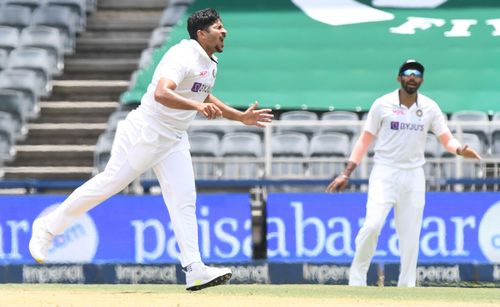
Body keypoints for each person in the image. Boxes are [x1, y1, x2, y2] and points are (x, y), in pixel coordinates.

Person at [29, 8, 273, 291]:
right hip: (146, 131)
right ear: (201, 34)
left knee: (184, 200)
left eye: (223, 26)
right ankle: (47, 228)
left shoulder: (210, 61)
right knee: (108, 184)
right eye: (219, 27)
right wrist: (196, 107)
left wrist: (239, 116)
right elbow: (162, 92)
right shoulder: (182, 54)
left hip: (174, 138)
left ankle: (194, 269)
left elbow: (201, 93)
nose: (224, 31)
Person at [326, 60, 481, 287]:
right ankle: (356, 281)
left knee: (410, 236)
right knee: (372, 226)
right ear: (399, 78)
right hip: (384, 172)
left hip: (414, 175)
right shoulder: (382, 104)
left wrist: (459, 149)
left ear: (422, 80)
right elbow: (364, 140)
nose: (412, 77)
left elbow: (446, 138)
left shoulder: (429, 107)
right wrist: (346, 172)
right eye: (408, 73)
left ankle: (407, 288)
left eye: (417, 74)